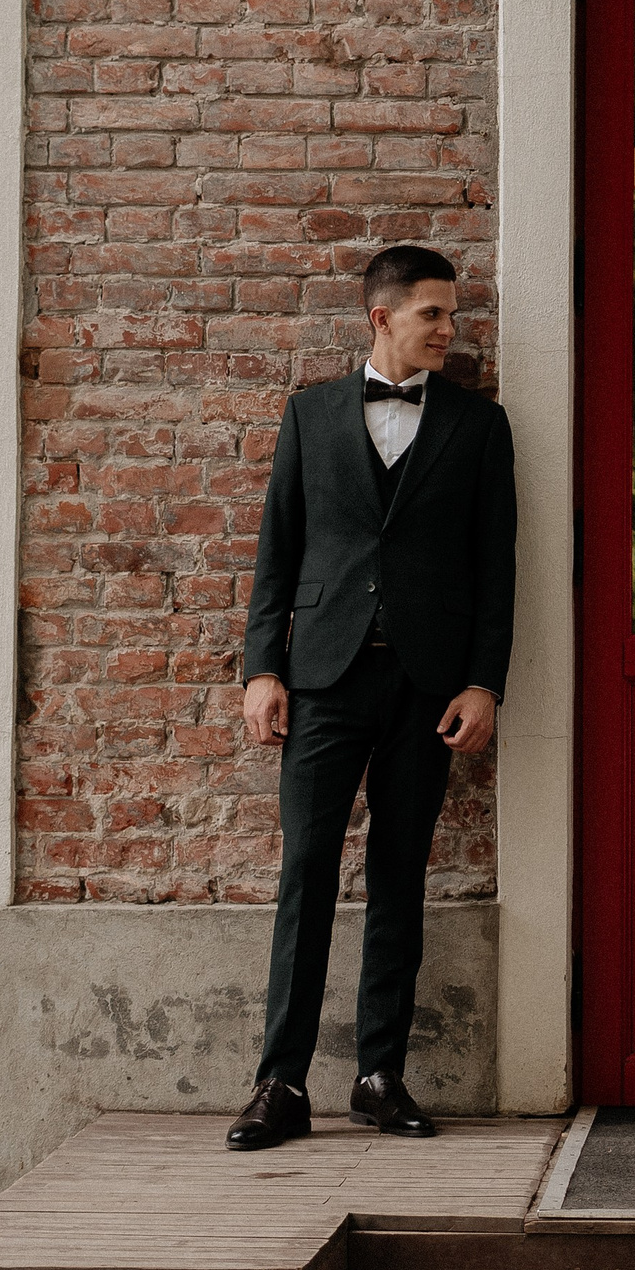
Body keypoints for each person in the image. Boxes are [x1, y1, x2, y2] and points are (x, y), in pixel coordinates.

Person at [226, 245, 517, 1152]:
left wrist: (483, 681)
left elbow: (496, 567)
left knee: (399, 877)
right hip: (323, 680)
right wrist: (262, 669)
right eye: (434, 313)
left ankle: (379, 1076)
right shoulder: (310, 414)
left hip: (427, 687)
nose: (449, 329)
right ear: (382, 317)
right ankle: (280, 1082)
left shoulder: (478, 426)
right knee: (306, 875)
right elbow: (278, 548)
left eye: (452, 314)